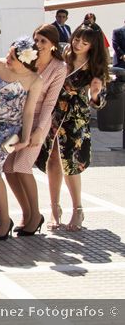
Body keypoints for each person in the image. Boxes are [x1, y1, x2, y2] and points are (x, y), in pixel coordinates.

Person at [35, 23, 108, 232]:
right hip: (52, 111)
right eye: (77, 39)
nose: (78, 45)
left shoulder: (96, 65)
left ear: (92, 45)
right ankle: (54, 208)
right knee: (52, 158)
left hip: (76, 117)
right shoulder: (62, 53)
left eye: (85, 43)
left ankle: (77, 209)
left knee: (72, 163)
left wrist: (94, 94)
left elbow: (100, 102)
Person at [3, 24, 66, 232]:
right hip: (17, 117)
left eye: (43, 41)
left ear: (53, 45)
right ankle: (28, 213)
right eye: (36, 40)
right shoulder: (27, 57)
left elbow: (50, 103)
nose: (38, 45)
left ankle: (35, 214)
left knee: (22, 166)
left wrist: (39, 131)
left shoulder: (59, 68)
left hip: (40, 119)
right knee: (8, 168)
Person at [0, 38, 43, 240]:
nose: (7, 59)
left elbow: (28, 112)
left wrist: (25, 138)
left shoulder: (36, 80)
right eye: (9, 54)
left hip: (7, 131)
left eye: (12, 57)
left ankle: (5, 219)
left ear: (25, 60)